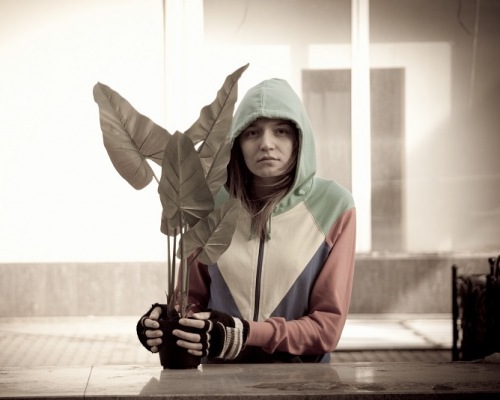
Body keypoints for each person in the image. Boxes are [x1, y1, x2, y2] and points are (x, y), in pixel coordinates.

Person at [137, 78, 356, 363]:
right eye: (252, 133)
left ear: (299, 139)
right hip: (219, 382)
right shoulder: (208, 203)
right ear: (237, 143)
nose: (266, 144)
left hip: (302, 381)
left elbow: (327, 329)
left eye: (281, 131)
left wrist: (246, 333)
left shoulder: (334, 206)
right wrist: (165, 320)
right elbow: (192, 300)